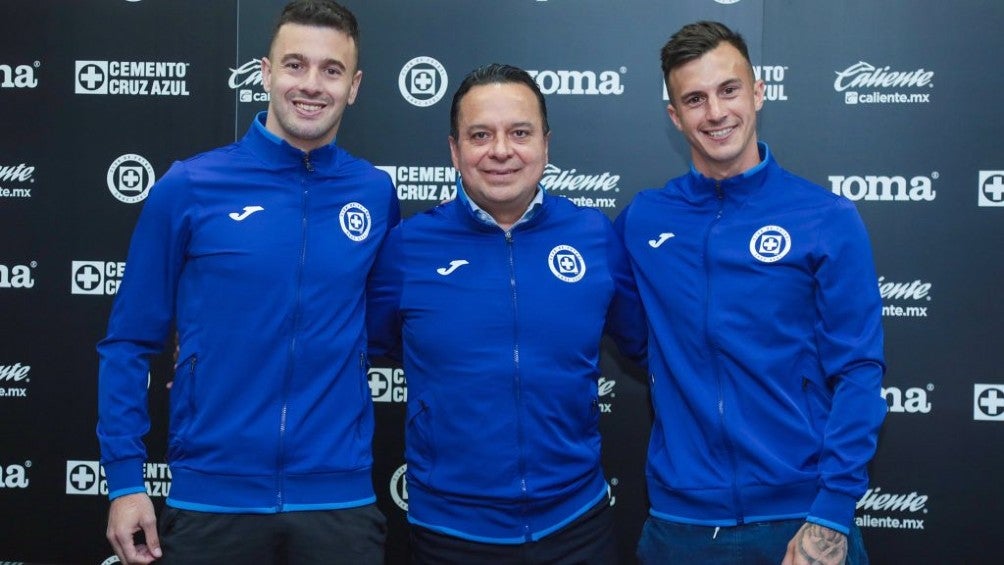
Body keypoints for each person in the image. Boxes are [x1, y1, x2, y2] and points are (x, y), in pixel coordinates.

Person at [96, 1, 399, 563]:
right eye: (295, 65)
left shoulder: (374, 192)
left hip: (339, 500)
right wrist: (123, 480)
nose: (312, 84)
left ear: (353, 86)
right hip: (212, 496)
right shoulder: (190, 185)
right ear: (265, 72)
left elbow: (377, 329)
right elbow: (129, 342)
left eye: (331, 70)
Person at [614, 21, 886, 565]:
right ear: (675, 115)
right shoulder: (643, 219)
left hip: (801, 519)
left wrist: (831, 514)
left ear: (758, 92)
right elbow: (631, 333)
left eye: (728, 90)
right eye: (694, 99)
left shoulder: (825, 218)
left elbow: (859, 370)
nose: (715, 113)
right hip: (680, 525)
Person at [367, 63, 646, 564]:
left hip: (577, 526)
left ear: (546, 143)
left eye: (520, 132)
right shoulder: (406, 249)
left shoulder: (595, 237)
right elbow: (363, 348)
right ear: (454, 150)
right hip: (449, 533)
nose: (501, 151)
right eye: (480, 135)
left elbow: (650, 348)